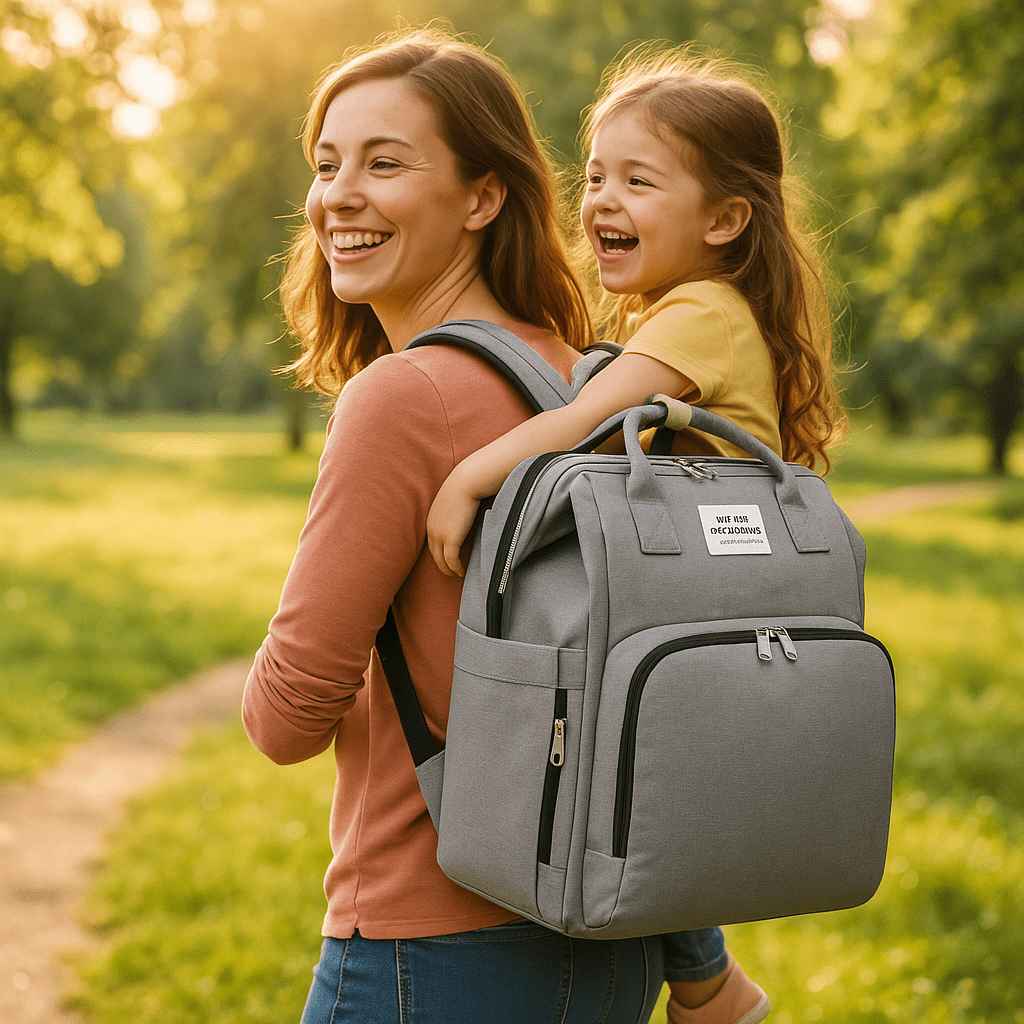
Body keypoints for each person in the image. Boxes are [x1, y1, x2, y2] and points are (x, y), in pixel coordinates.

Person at [244, 27, 679, 1024]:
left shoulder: (399, 398)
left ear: (482, 197)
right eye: (325, 164)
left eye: (383, 162)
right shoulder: (588, 377)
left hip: (427, 950)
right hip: (607, 942)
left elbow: (284, 722)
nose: (337, 195)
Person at [427, 47, 850, 1024]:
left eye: (638, 181)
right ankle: (707, 981)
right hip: (707, 598)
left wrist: (466, 476)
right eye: (595, 176)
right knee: (639, 759)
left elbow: (581, 419)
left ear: (724, 219)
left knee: (623, 752)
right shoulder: (682, 310)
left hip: (685, 590)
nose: (602, 200)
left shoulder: (699, 314)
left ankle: (707, 980)